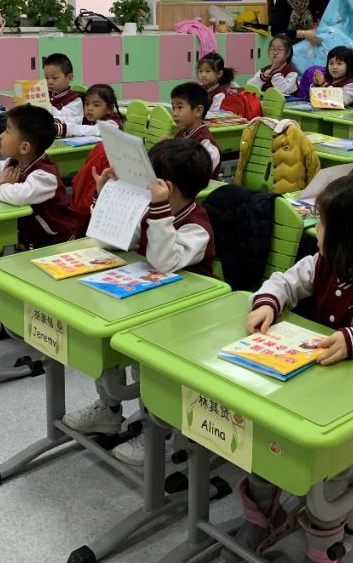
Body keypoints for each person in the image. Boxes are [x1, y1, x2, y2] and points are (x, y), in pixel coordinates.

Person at [227, 176, 353, 561]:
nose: (315, 229)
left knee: (336, 467)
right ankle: (263, 514)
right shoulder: (323, 264)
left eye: (322, 223)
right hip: (312, 393)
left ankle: (324, 540)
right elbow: (285, 281)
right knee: (266, 437)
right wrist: (269, 302)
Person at [62, 139, 216, 464]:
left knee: (153, 373)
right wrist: (107, 197)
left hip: (184, 317)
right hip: (146, 304)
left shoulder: (196, 226)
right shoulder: (151, 211)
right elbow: (109, 241)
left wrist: (158, 212)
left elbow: (163, 261)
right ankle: (109, 408)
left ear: (167, 187)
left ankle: (160, 431)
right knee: (108, 347)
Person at [0, 105, 81, 370]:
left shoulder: (44, 175)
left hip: (54, 246)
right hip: (27, 241)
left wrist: (2, 186)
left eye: (7, 131)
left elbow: (18, 196)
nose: (1, 136)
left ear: (25, 146)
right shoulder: (12, 163)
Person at [170, 81, 221, 178]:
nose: (175, 113)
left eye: (180, 107)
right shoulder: (181, 134)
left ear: (198, 110)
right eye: (173, 107)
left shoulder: (206, 144)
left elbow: (196, 176)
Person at [55, 83, 123, 138]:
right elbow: (74, 119)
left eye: (96, 105)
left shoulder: (112, 123)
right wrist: (57, 121)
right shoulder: (88, 117)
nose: (89, 108)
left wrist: (65, 129)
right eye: (87, 104)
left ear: (109, 109)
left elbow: (94, 130)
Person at [43, 52, 84, 132]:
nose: (49, 82)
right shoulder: (47, 95)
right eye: (46, 78)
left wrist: (46, 107)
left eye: (54, 78)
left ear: (69, 78)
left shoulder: (75, 100)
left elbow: (69, 121)